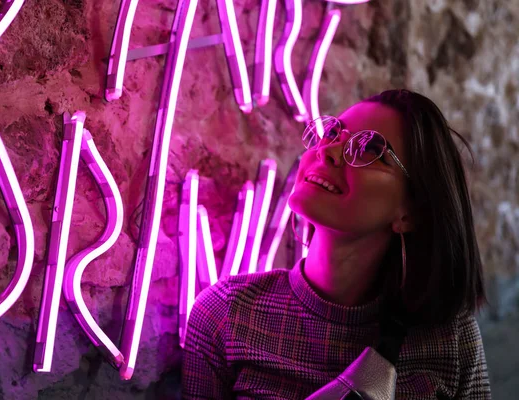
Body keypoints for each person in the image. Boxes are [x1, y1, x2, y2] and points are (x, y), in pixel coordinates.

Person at [181, 89, 491, 399]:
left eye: (370, 149)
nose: (329, 151)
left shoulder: (449, 338)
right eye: (331, 133)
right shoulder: (225, 314)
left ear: (409, 213)